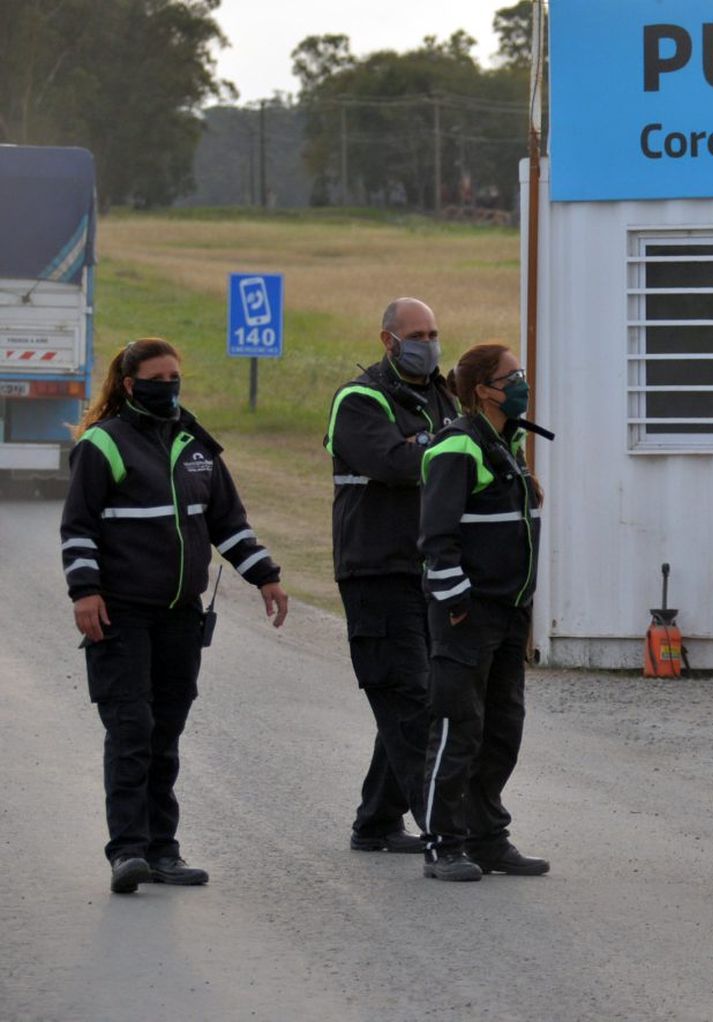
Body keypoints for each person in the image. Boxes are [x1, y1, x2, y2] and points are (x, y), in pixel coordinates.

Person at [60, 338, 289, 894]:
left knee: (165, 733)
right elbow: (79, 528)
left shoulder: (196, 445)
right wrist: (84, 591)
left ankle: (163, 850)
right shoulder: (103, 446)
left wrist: (266, 576)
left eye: (176, 376)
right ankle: (128, 852)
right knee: (131, 729)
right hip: (120, 616)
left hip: (180, 618)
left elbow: (228, 524)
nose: (170, 386)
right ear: (131, 384)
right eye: (158, 378)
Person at [325, 297, 459, 853]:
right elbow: (393, 463)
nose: (427, 343)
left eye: (433, 332)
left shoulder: (442, 395)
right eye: (416, 334)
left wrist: (429, 444)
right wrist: (442, 446)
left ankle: (378, 820)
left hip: (427, 572)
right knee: (410, 698)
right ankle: (447, 829)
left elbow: (449, 459)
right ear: (387, 340)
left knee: (413, 697)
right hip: (376, 571)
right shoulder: (358, 400)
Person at [416, 342, 549, 881]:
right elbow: (437, 538)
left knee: (501, 729)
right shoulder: (457, 448)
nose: (521, 384)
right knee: (457, 729)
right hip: (467, 617)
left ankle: (487, 837)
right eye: (510, 376)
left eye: (521, 374)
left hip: (509, 613)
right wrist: (456, 605)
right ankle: (443, 844)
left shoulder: (507, 443)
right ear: (481, 391)